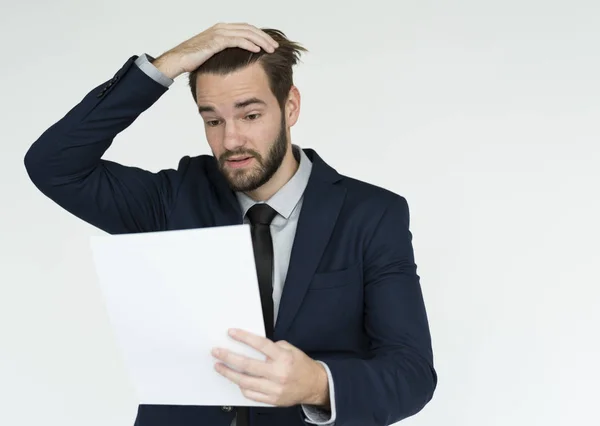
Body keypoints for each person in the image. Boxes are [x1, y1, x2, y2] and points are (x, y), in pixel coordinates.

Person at [24, 23, 437, 426]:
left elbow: (411, 374)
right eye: (213, 120)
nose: (231, 140)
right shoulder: (170, 201)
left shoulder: (371, 214)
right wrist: (167, 65)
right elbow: (53, 165)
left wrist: (316, 384)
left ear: (290, 106)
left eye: (250, 114)